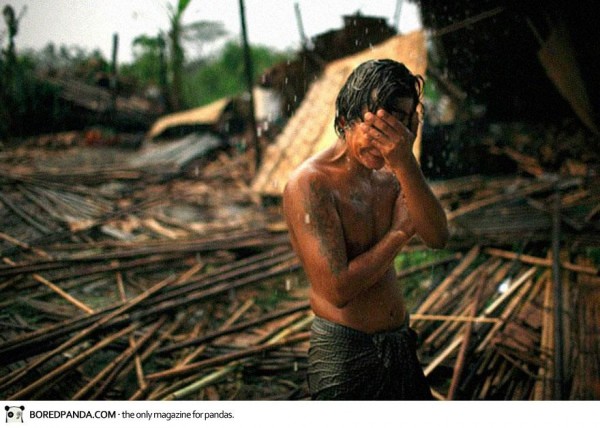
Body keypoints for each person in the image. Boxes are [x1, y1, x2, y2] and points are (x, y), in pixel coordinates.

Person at [282, 59, 448, 400]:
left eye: (398, 132)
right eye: (377, 133)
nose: (386, 146)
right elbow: (337, 289)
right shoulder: (311, 183)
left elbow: (437, 237)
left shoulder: (392, 172)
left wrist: (406, 160)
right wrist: (399, 234)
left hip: (399, 344)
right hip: (345, 356)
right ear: (345, 123)